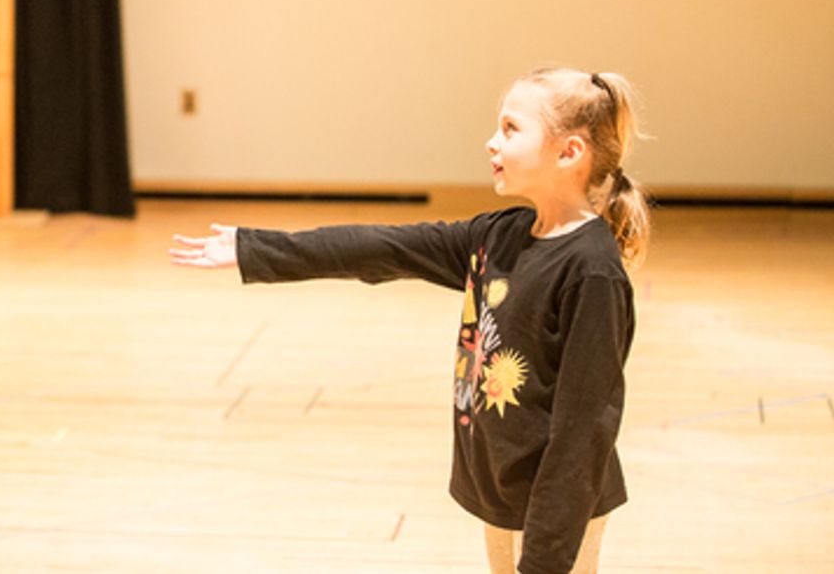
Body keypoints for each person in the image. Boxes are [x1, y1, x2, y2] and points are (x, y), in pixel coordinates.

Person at [170, 68, 650, 574]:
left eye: (510, 129)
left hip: (559, 504)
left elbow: (582, 436)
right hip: (503, 485)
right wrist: (254, 249)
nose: (492, 142)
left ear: (568, 152)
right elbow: (385, 247)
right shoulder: (499, 237)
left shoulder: (592, 273)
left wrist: (546, 558)